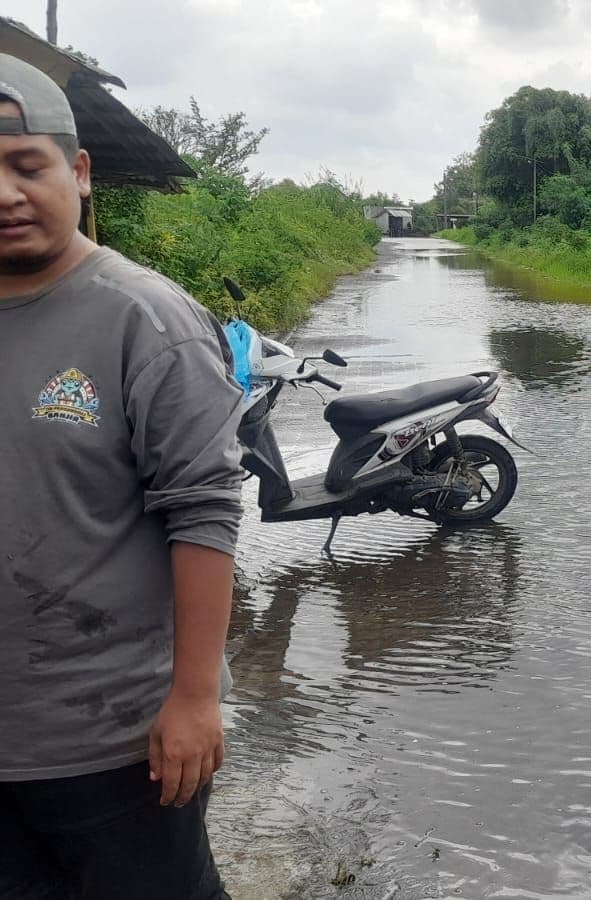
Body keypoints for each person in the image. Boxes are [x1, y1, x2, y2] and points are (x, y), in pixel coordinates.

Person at [0, 54, 243, 898]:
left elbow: (204, 512)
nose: (5, 194)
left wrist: (194, 699)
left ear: (78, 171)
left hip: (116, 741)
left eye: (25, 165)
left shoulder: (146, 319)